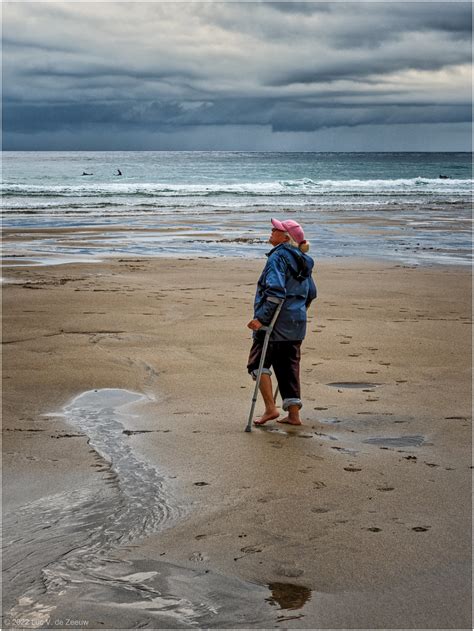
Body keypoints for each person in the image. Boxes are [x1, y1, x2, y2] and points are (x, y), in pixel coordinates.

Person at [247, 218, 317, 426]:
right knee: (289, 366)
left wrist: (261, 319)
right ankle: (294, 415)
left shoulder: (278, 257)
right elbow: (311, 293)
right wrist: (298, 311)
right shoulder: (304, 260)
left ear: (285, 237)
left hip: (276, 322)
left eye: (275, 229)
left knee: (257, 363)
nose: (271, 230)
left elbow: (276, 292)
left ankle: (270, 408)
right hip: (297, 321)